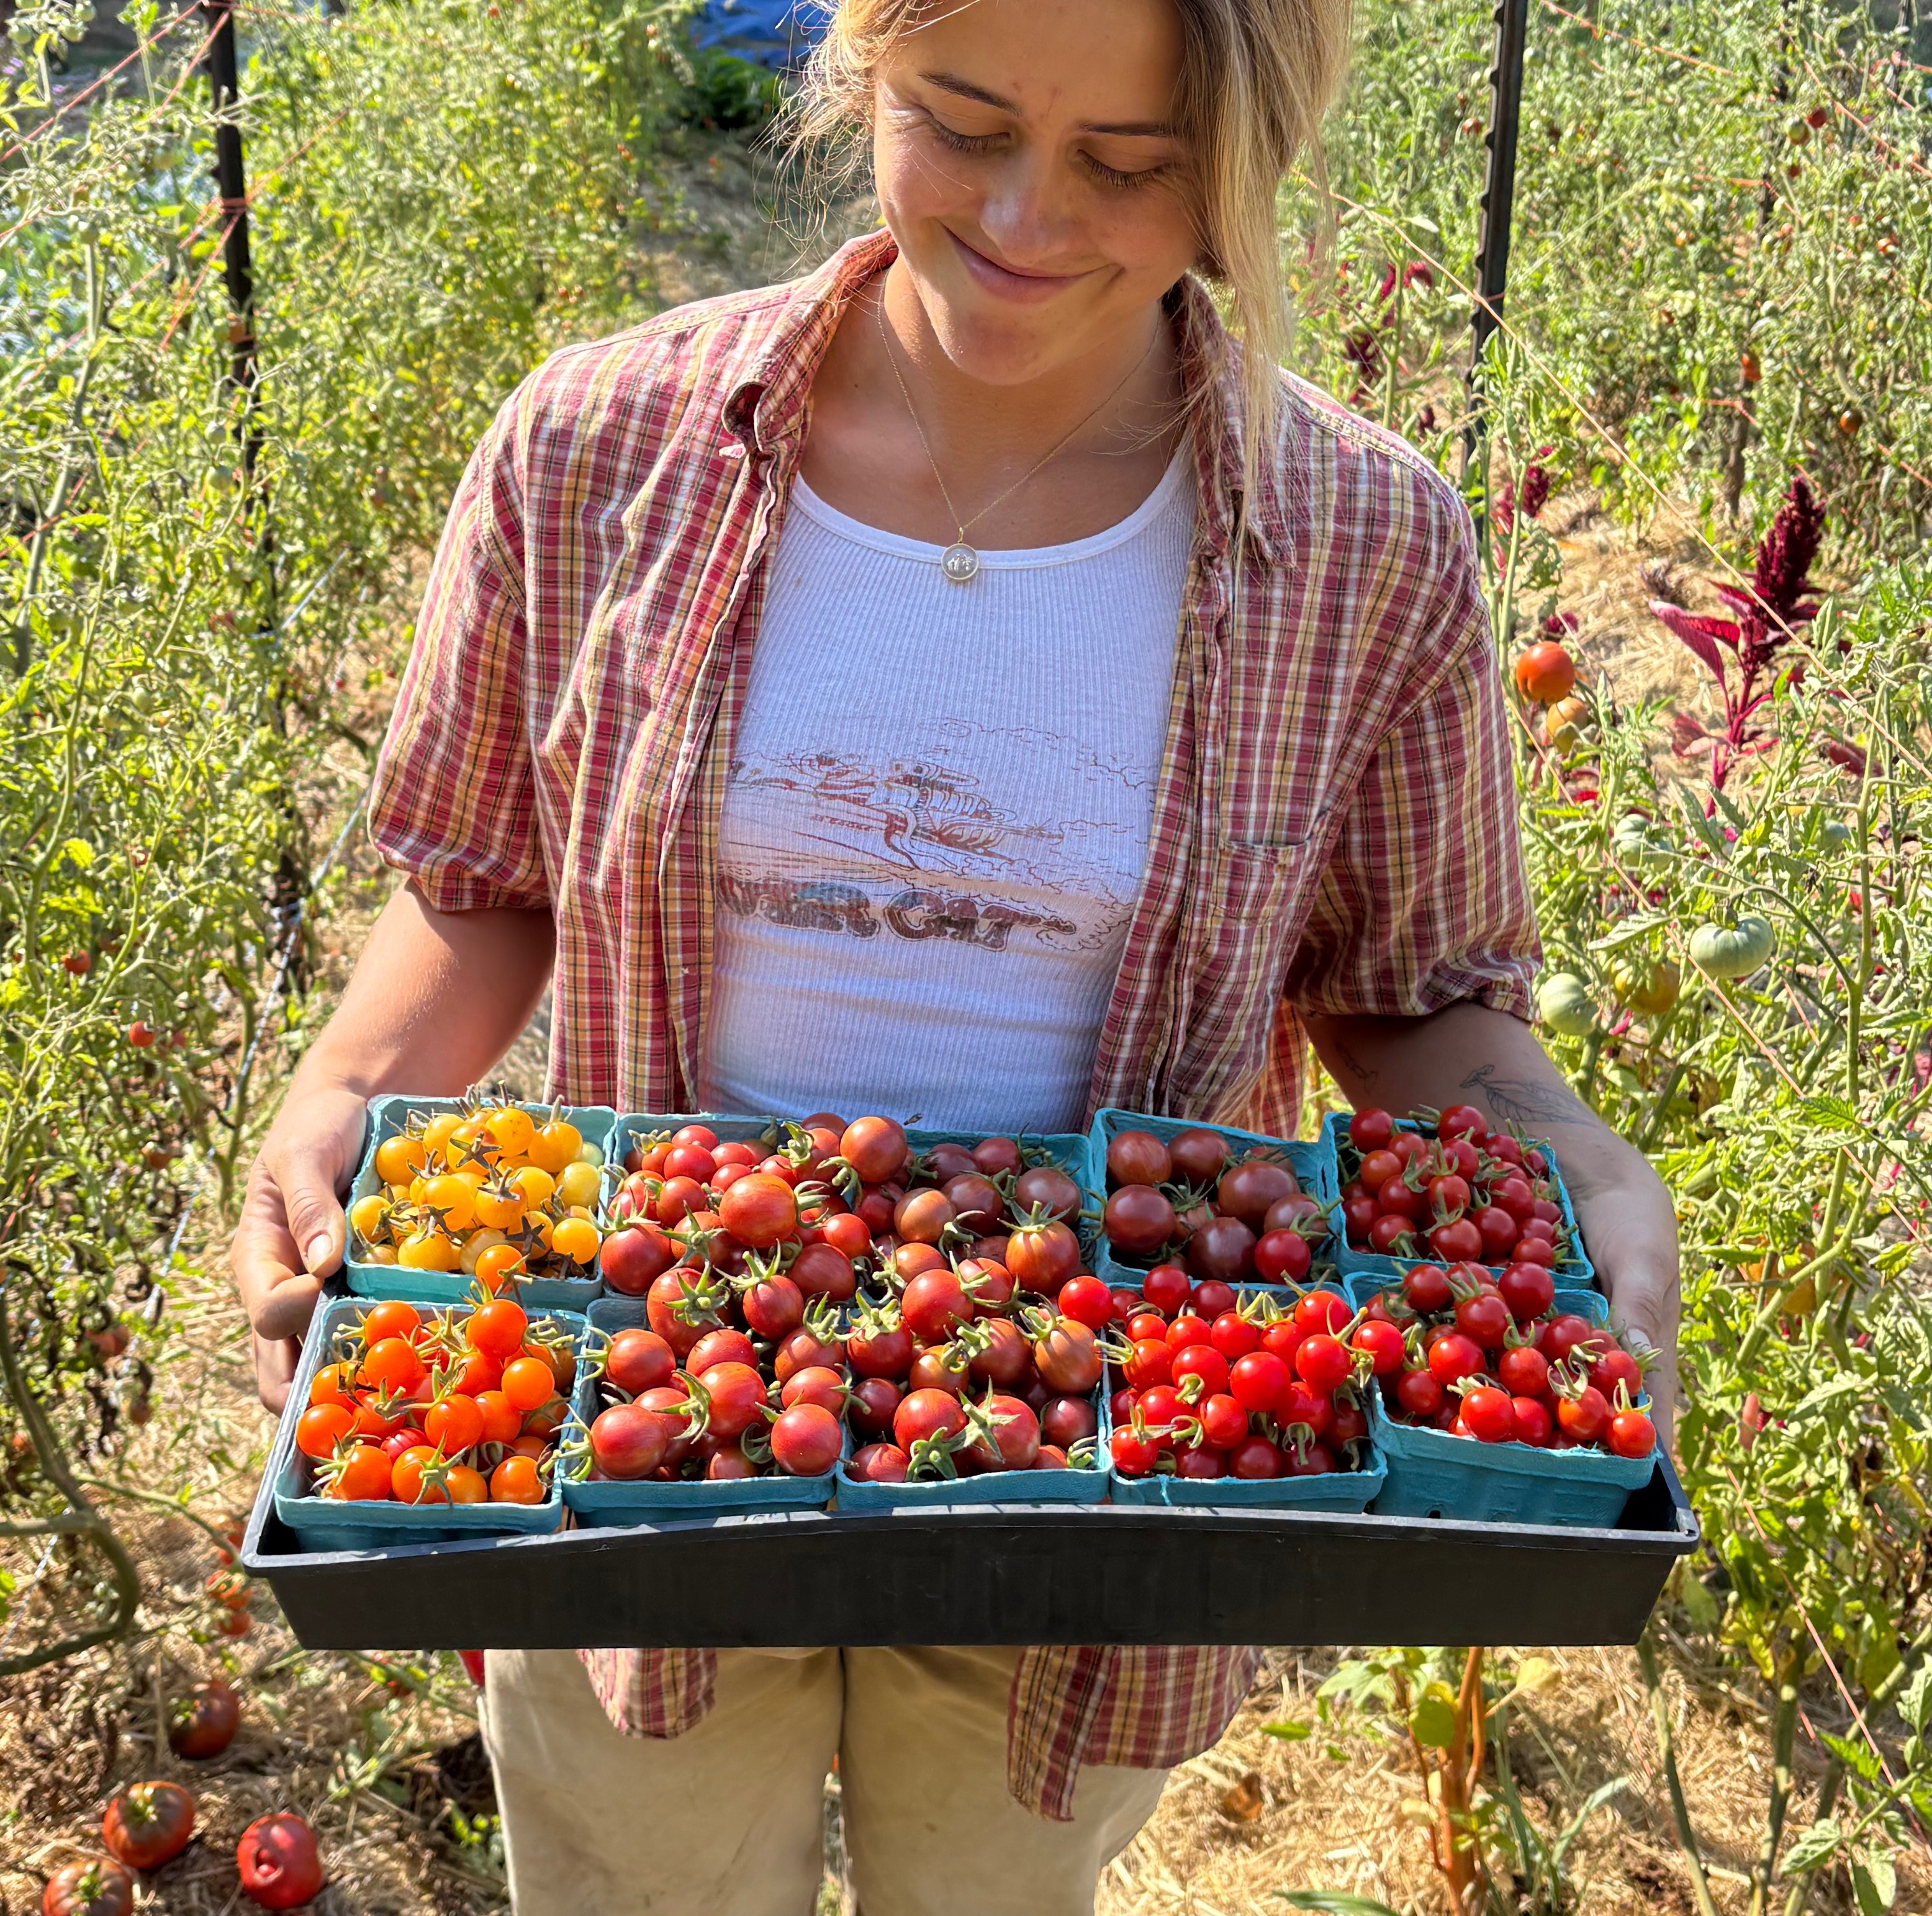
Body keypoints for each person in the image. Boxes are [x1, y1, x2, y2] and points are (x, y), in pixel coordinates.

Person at [230, 0, 1682, 1909]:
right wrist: (347, 1085)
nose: (1021, 216)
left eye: (1128, 164)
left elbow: (1413, 999)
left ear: (1242, 167)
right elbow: (483, 879)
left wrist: (1565, 1156)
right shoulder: (598, 450)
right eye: (964, 121)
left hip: (1094, 1454)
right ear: (862, 73)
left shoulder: (1362, 546)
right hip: (654, 1424)